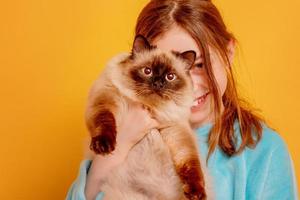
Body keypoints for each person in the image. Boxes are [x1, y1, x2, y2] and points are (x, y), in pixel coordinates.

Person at [66, 0, 298, 199]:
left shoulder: (263, 151)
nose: (193, 85)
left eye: (199, 65)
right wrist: (120, 144)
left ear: (228, 53)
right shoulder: (125, 124)